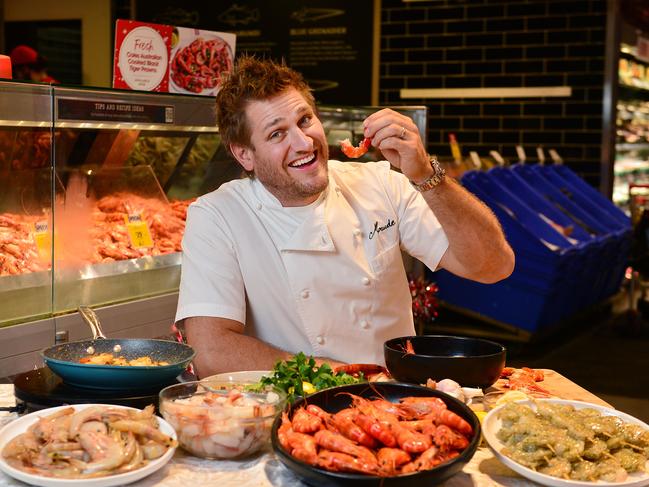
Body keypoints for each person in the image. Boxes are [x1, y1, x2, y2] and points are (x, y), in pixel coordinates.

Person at [175, 55, 514, 378]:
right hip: (295, 409)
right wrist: (341, 376)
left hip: (396, 400)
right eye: (277, 134)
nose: (303, 142)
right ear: (244, 155)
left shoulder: (379, 183)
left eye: (305, 120)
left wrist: (427, 175)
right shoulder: (218, 216)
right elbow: (211, 352)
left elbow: (493, 266)